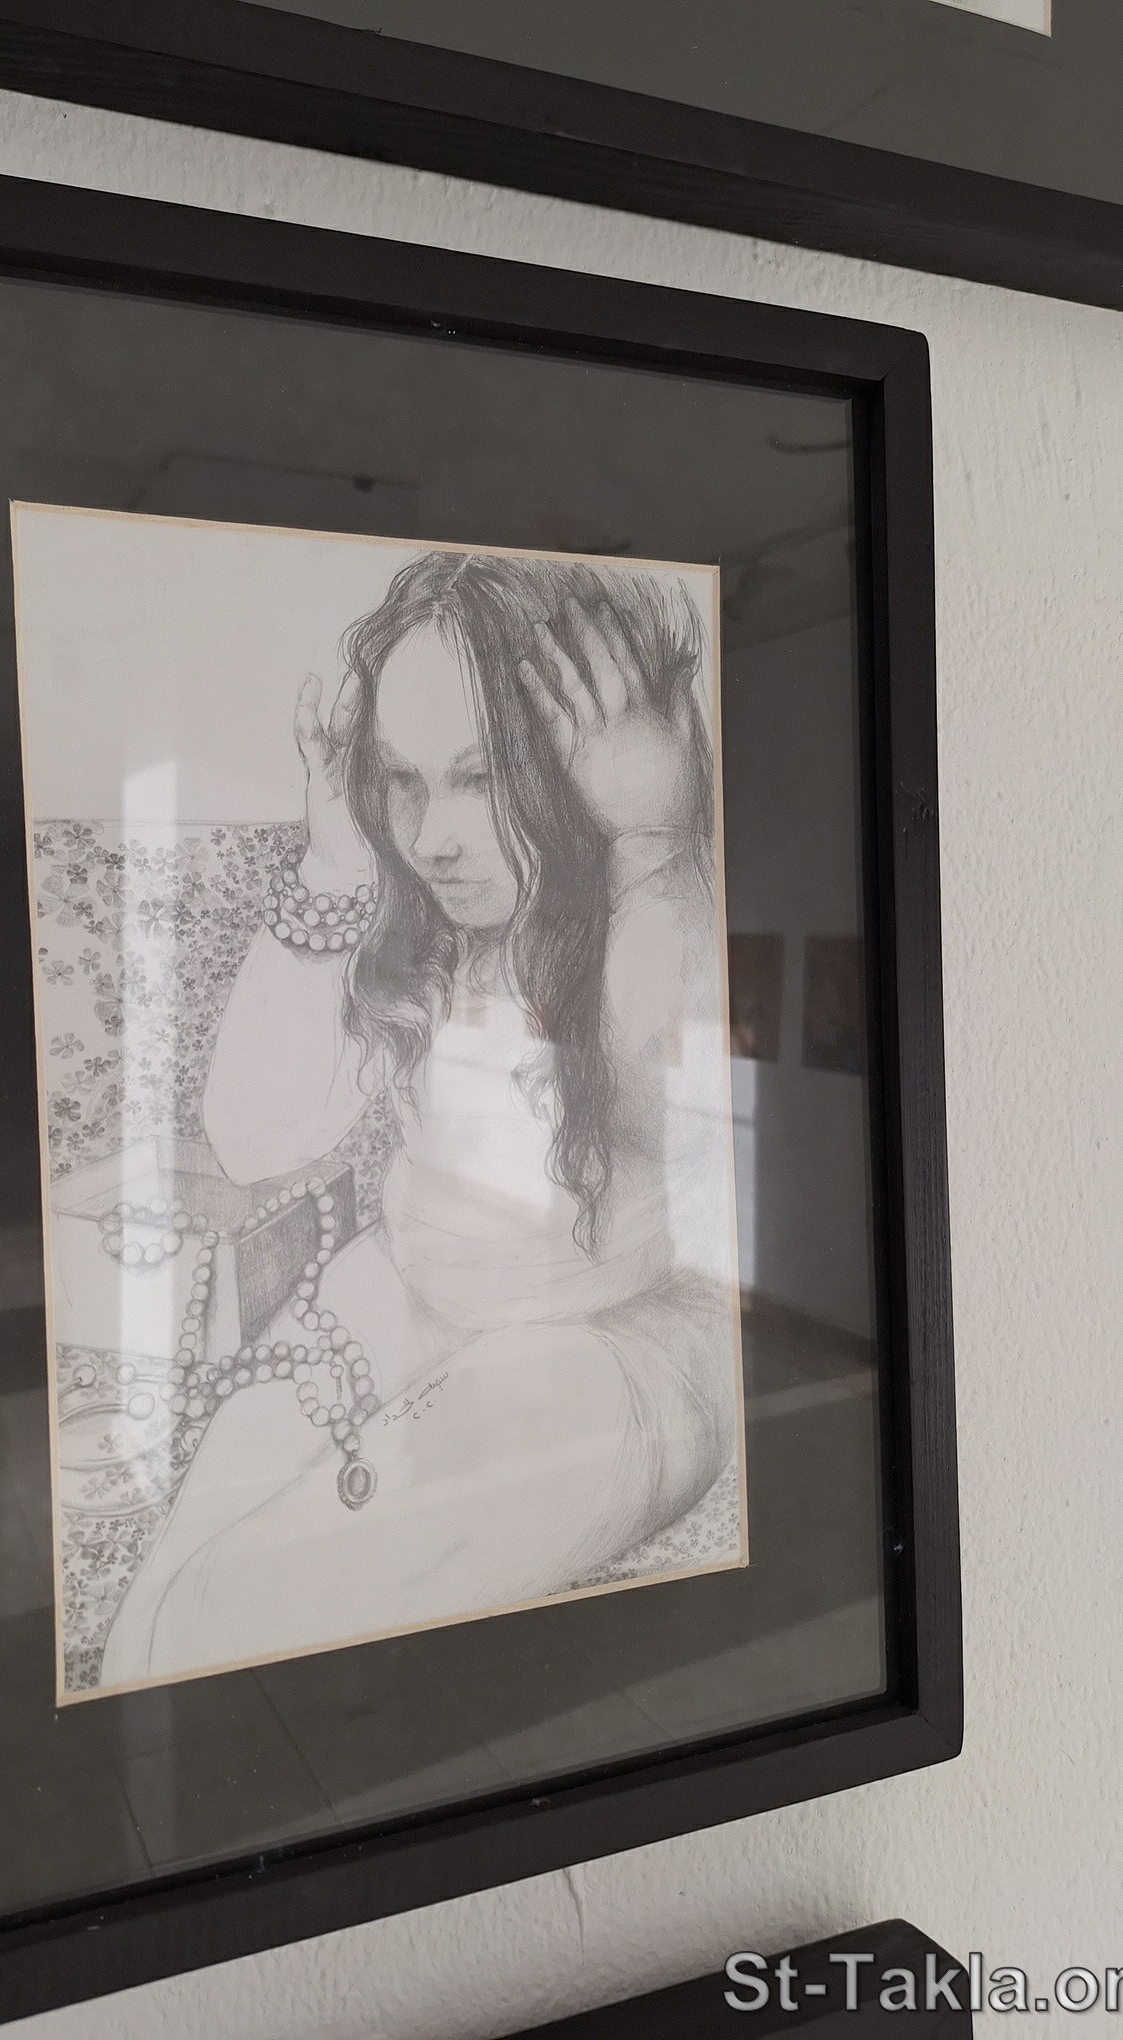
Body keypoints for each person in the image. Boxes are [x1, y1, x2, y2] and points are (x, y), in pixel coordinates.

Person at [100, 550, 739, 1685]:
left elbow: (677, 1128)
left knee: (219, 1617)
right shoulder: (424, 930)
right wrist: (333, 861)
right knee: (150, 1618)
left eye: (480, 777)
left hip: (617, 1343)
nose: (430, 835)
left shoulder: (662, 915)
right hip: (409, 1290)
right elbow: (254, 1139)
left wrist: (649, 848)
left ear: (589, 765)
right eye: (401, 780)